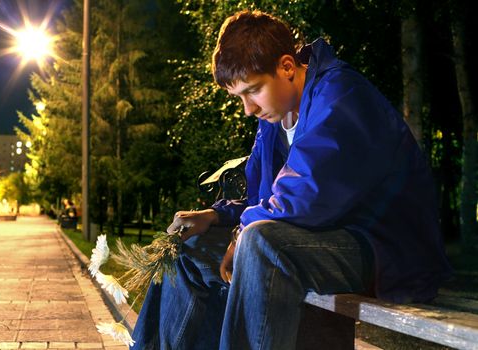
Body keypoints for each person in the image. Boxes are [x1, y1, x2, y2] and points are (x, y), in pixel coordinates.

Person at [132, 10, 452, 350]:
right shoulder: (274, 121)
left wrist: (241, 232)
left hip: (382, 250)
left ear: (286, 66)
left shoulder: (341, 95)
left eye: (252, 91)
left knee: (261, 244)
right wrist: (217, 215)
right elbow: (262, 198)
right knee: (190, 248)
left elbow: (304, 197)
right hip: (318, 240)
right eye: (239, 97)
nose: (247, 109)